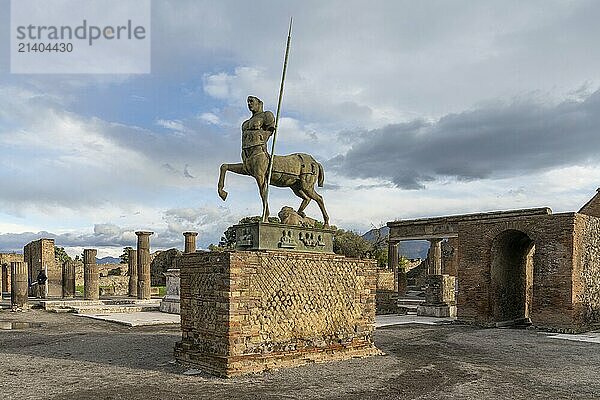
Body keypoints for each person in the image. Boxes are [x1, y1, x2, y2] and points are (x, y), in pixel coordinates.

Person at [241, 96, 275, 162]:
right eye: (248, 102)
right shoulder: (246, 122)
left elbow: (270, 130)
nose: (249, 104)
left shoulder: (266, 115)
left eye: (251, 101)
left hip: (258, 152)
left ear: (259, 103)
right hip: (245, 153)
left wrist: (261, 135)